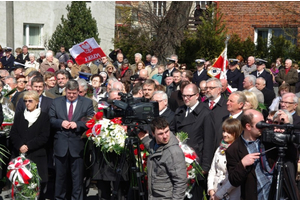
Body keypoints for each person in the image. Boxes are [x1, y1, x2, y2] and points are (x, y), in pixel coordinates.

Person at [49, 80, 94, 200]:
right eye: (69, 93)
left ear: (78, 92)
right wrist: (61, 122)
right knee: (60, 178)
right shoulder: (57, 102)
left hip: (77, 145)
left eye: (74, 93)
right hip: (61, 144)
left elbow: (90, 120)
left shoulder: (86, 102)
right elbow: (51, 119)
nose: (72, 96)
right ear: (65, 91)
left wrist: (78, 124)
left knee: (77, 178)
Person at [174, 83, 216, 199]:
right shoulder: (180, 110)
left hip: (196, 162)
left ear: (197, 95)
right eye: (184, 96)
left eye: (189, 96)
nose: (186, 98)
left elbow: (209, 140)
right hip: (180, 160)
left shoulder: (205, 113)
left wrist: (205, 166)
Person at [226, 109, 278, 200]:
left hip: (275, 193)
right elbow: (234, 180)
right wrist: (242, 164)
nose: (263, 127)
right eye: (259, 125)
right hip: (256, 196)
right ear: (248, 126)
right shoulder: (234, 149)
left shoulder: (268, 139)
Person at [10, 90, 50, 200]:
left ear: (37, 102)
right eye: (25, 101)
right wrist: (20, 146)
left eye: (30, 101)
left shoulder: (44, 116)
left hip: (37, 155)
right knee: (21, 187)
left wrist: (28, 146)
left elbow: (44, 136)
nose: (27, 103)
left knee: (35, 187)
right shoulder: (19, 115)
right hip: (21, 156)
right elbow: (13, 133)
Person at [138, 117, 187, 200]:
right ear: (153, 134)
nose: (165, 136)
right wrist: (144, 138)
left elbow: (180, 182)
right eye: (160, 134)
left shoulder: (174, 152)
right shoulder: (155, 144)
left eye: (167, 131)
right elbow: (154, 149)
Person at [207, 118, 242, 200]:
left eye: (229, 132)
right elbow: (212, 170)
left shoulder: (238, 151)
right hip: (215, 191)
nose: (225, 134)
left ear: (236, 133)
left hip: (230, 194)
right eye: (224, 131)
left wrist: (219, 195)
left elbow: (234, 179)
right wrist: (211, 189)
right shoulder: (220, 148)